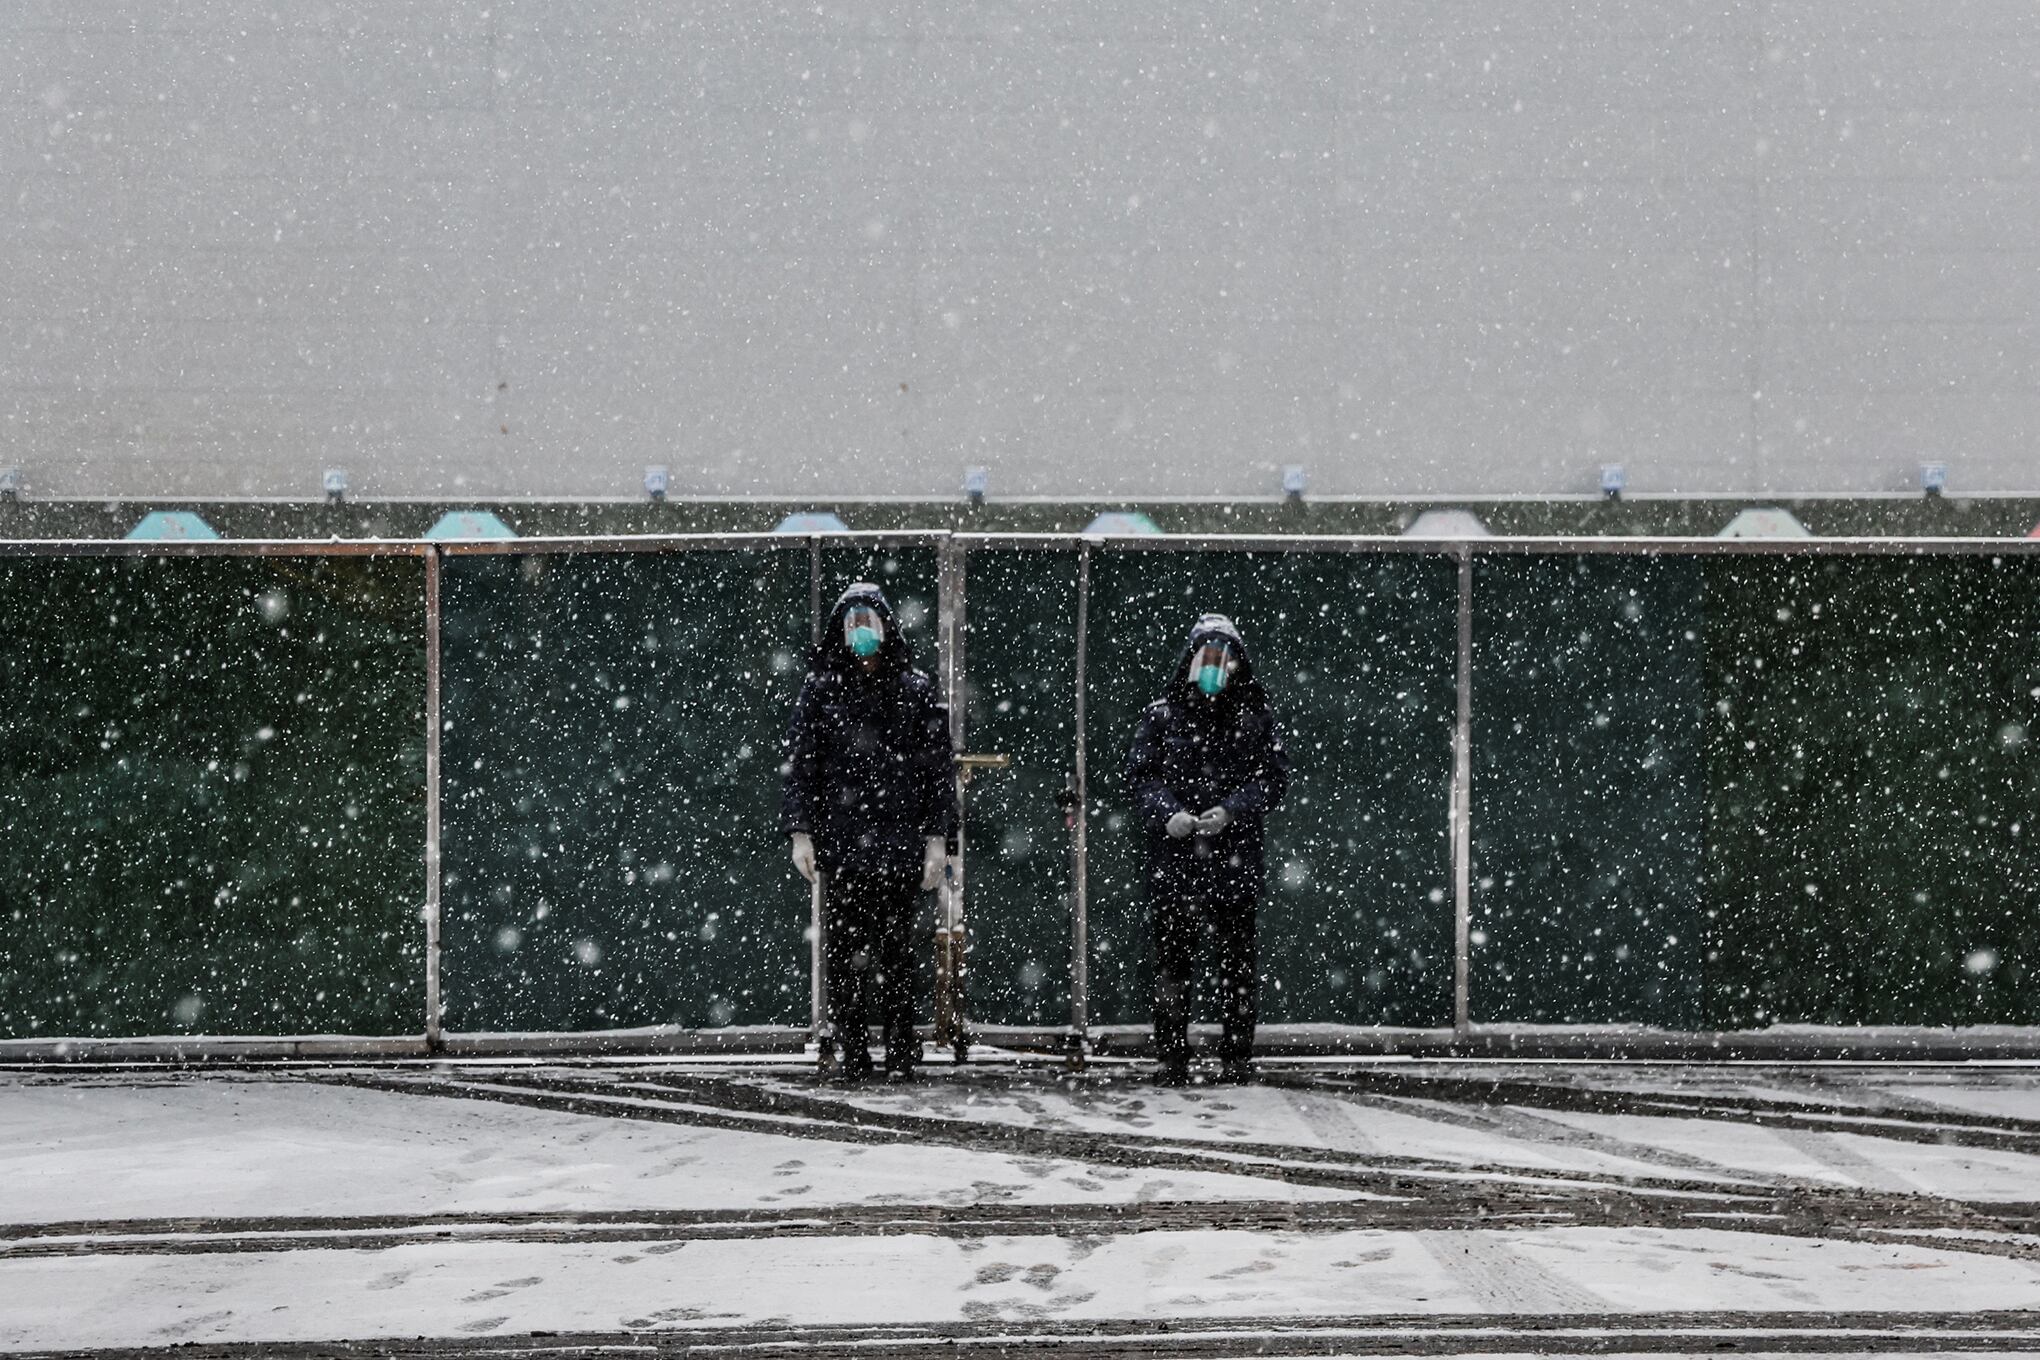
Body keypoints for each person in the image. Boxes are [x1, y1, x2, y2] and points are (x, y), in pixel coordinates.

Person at [782, 582, 957, 1080]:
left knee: (898, 955)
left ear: (887, 629)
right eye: (853, 624)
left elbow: (937, 771)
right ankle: (855, 1053)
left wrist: (937, 838)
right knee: (845, 959)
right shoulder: (820, 691)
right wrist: (801, 832)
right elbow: (802, 767)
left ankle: (903, 1052)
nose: (862, 634)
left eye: (870, 623)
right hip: (844, 849)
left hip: (898, 848)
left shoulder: (915, 690)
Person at [1125, 613, 1288, 1085]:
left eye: (1225, 655)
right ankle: (1172, 1057)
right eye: (1207, 654)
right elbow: (1141, 776)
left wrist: (1232, 810)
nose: (1216, 665)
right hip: (1175, 864)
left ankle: (1237, 1058)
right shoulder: (1162, 715)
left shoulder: (1256, 716)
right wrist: (1168, 812)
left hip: (1233, 861)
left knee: (1236, 963)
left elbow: (1274, 779)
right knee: (1174, 962)